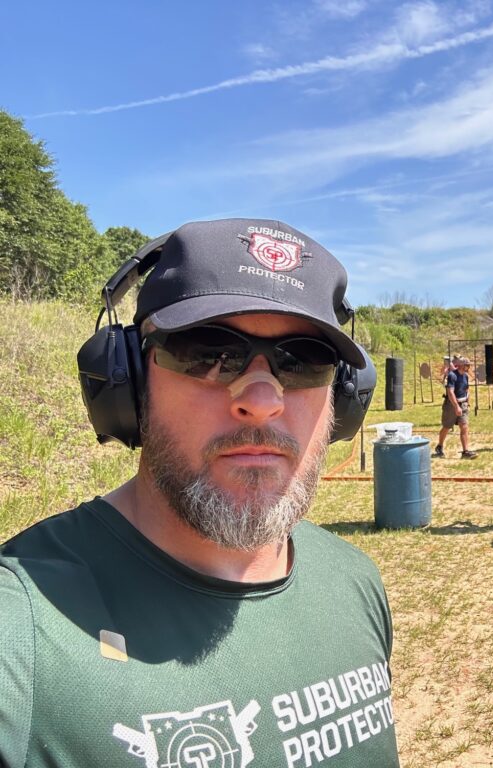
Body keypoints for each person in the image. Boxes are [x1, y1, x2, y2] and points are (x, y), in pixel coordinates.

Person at [0, 219, 400, 767]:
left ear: (344, 400)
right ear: (129, 382)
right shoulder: (22, 630)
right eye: (208, 351)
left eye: (303, 360)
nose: (262, 399)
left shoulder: (356, 582)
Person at [435, 355, 478, 459]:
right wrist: (456, 407)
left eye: (468, 365)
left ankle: (465, 451)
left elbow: (466, 389)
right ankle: (439, 446)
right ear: (460, 365)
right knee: (447, 427)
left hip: (463, 404)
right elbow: (450, 392)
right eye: (466, 365)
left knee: (464, 426)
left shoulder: (466, 376)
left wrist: (467, 401)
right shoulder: (452, 375)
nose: (467, 367)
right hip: (451, 405)